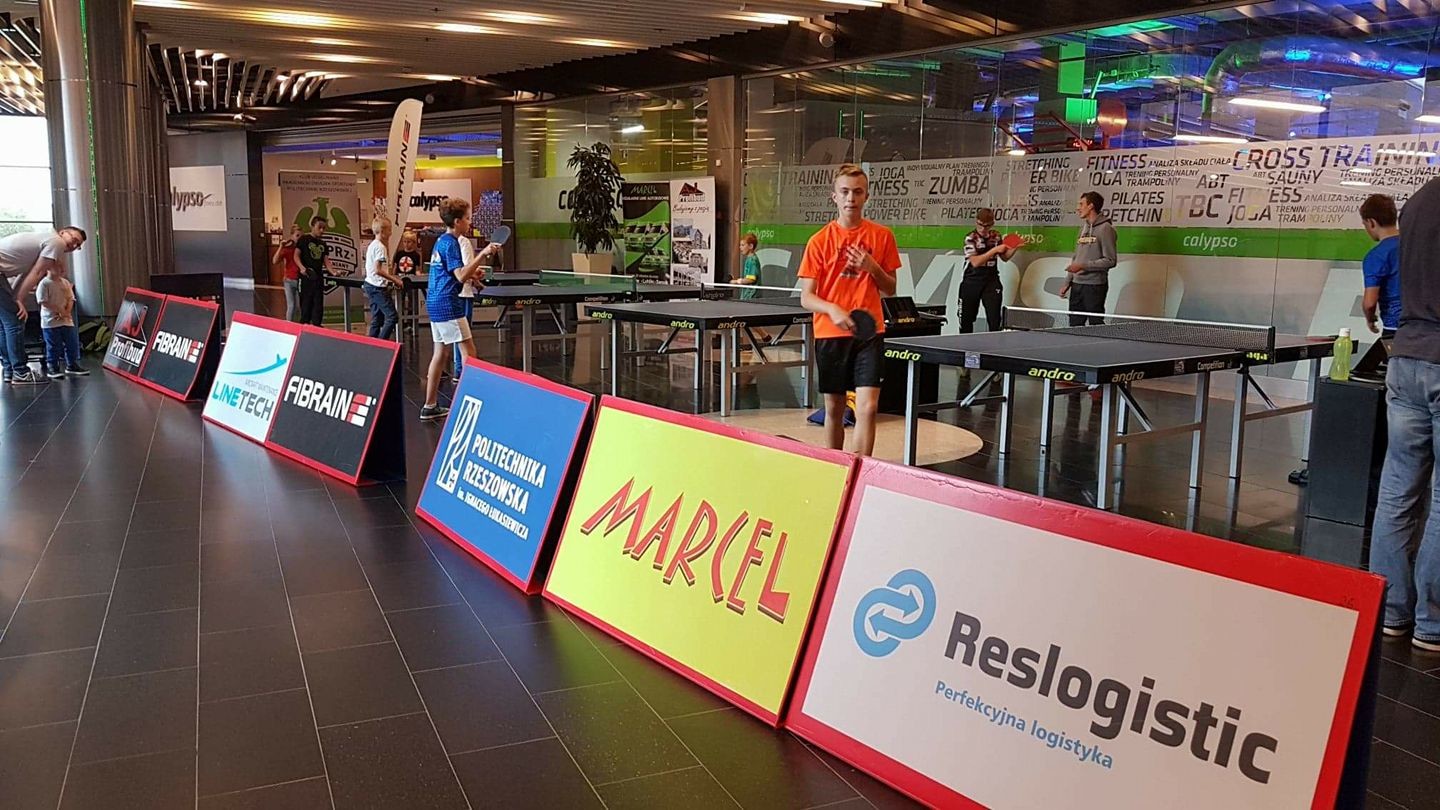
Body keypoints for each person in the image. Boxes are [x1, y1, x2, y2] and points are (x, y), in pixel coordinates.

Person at [1369, 176, 1440, 652]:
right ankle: (1431, 624)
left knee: (1397, 489)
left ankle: (1389, 611)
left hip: (1407, 356)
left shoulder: (1418, 200)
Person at [798, 163, 900, 456]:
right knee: (835, 409)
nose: (850, 198)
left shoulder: (882, 236)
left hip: (869, 332)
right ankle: (835, 468)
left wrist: (872, 267)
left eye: (857, 192)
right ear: (834, 196)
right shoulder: (819, 241)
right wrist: (832, 309)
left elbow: (890, 288)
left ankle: (859, 469)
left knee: (867, 408)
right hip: (831, 334)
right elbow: (806, 297)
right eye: (844, 192)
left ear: (866, 196)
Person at [421, 198, 496, 422]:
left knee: (440, 353)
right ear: (457, 221)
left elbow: (454, 273)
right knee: (469, 354)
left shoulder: (441, 241)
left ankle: (429, 406)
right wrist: (483, 254)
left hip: (435, 303)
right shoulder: (452, 243)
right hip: (448, 305)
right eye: (467, 218)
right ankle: (472, 404)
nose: (469, 222)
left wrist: (475, 275)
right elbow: (460, 276)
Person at [4, 227, 86, 385]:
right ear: (62, 232)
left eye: (78, 245)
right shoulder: (56, 242)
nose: (74, 246)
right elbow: (37, 272)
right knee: (14, 322)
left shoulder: (44, 241)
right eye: (74, 240)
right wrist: (18, 299)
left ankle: (10, 370)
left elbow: (27, 273)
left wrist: (16, 298)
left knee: (6, 323)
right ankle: (20, 372)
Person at [1059, 191, 1117, 327]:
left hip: (1095, 286)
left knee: (1095, 325)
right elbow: (1076, 257)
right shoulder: (1082, 228)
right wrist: (1067, 282)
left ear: (1091, 206)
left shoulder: (1106, 229)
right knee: (1074, 324)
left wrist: (1083, 266)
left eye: (1081, 204)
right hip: (1077, 286)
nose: (1078, 208)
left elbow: (1110, 260)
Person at [960, 208, 1016, 333]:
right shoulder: (971, 238)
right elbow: (975, 262)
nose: (983, 229)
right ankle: (964, 343)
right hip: (972, 279)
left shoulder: (996, 236)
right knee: (966, 319)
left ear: (992, 224)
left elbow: (1005, 257)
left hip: (991, 279)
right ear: (976, 222)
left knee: (994, 319)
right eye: (980, 225)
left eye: (987, 226)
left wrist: (1014, 247)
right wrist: (994, 250)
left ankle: (995, 342)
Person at [35, 263, 86, 378]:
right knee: (53, 345)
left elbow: (71, 298)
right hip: (50, 321)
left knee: (72, 343)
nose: (62, 269)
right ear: (48, 268)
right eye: (58, 267)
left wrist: (66, 311)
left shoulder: (65, 282)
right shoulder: (44, 284)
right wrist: (59, 310)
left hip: (66, 320)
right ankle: (52, 366)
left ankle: (71, 364)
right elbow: (43, 301)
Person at [1361, 193, 1402, 339]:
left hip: (1395, 328)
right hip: (1427, 326)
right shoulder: (1417, 246)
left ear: (1371, 222)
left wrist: (1370, 319)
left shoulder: (1376, 256)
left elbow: (1369, 303)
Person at [363, 216, 402, 340]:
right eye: (389, 230)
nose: (391, 233)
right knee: (392, 316)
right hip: (377, 287)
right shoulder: (380, 247)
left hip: (370, 284)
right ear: (383, 231)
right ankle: (382, 342)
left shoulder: (372, 245)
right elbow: (378, 270)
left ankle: (372, 343)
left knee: (377, 318)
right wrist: (394, 279)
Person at [294, 217, 331, 326]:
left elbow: (326, 261)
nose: (322, 230)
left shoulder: (323, 244)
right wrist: (302, 267)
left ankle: (317, 326)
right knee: (306, 305)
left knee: (318, 305)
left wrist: (334, 272)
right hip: (305, 277)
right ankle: (304, 326)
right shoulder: (303, 239)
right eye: (319, 227)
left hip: (318, 278)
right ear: (312, 226)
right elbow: (296, 256)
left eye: (324, 228)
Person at [272, 224, 303, 321]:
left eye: (301, 236)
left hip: (301, 279)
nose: (299, 238)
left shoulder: (303, 248)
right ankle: (289, 325)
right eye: (297, 235)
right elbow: (275, 261)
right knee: (291, 305)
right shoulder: (287, 249)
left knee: (301, 305)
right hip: (289, 280)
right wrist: (280, 247)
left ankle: (301, 325)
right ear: (292, 236)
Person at [734, 233, 762, 301]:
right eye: (740, 245)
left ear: (751, 246)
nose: (740, 247)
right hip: (747, 296)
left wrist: (736, 281)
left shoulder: (752, 260)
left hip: (751, 297)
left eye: (743, 245)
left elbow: (751, 279)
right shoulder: (749, 259)